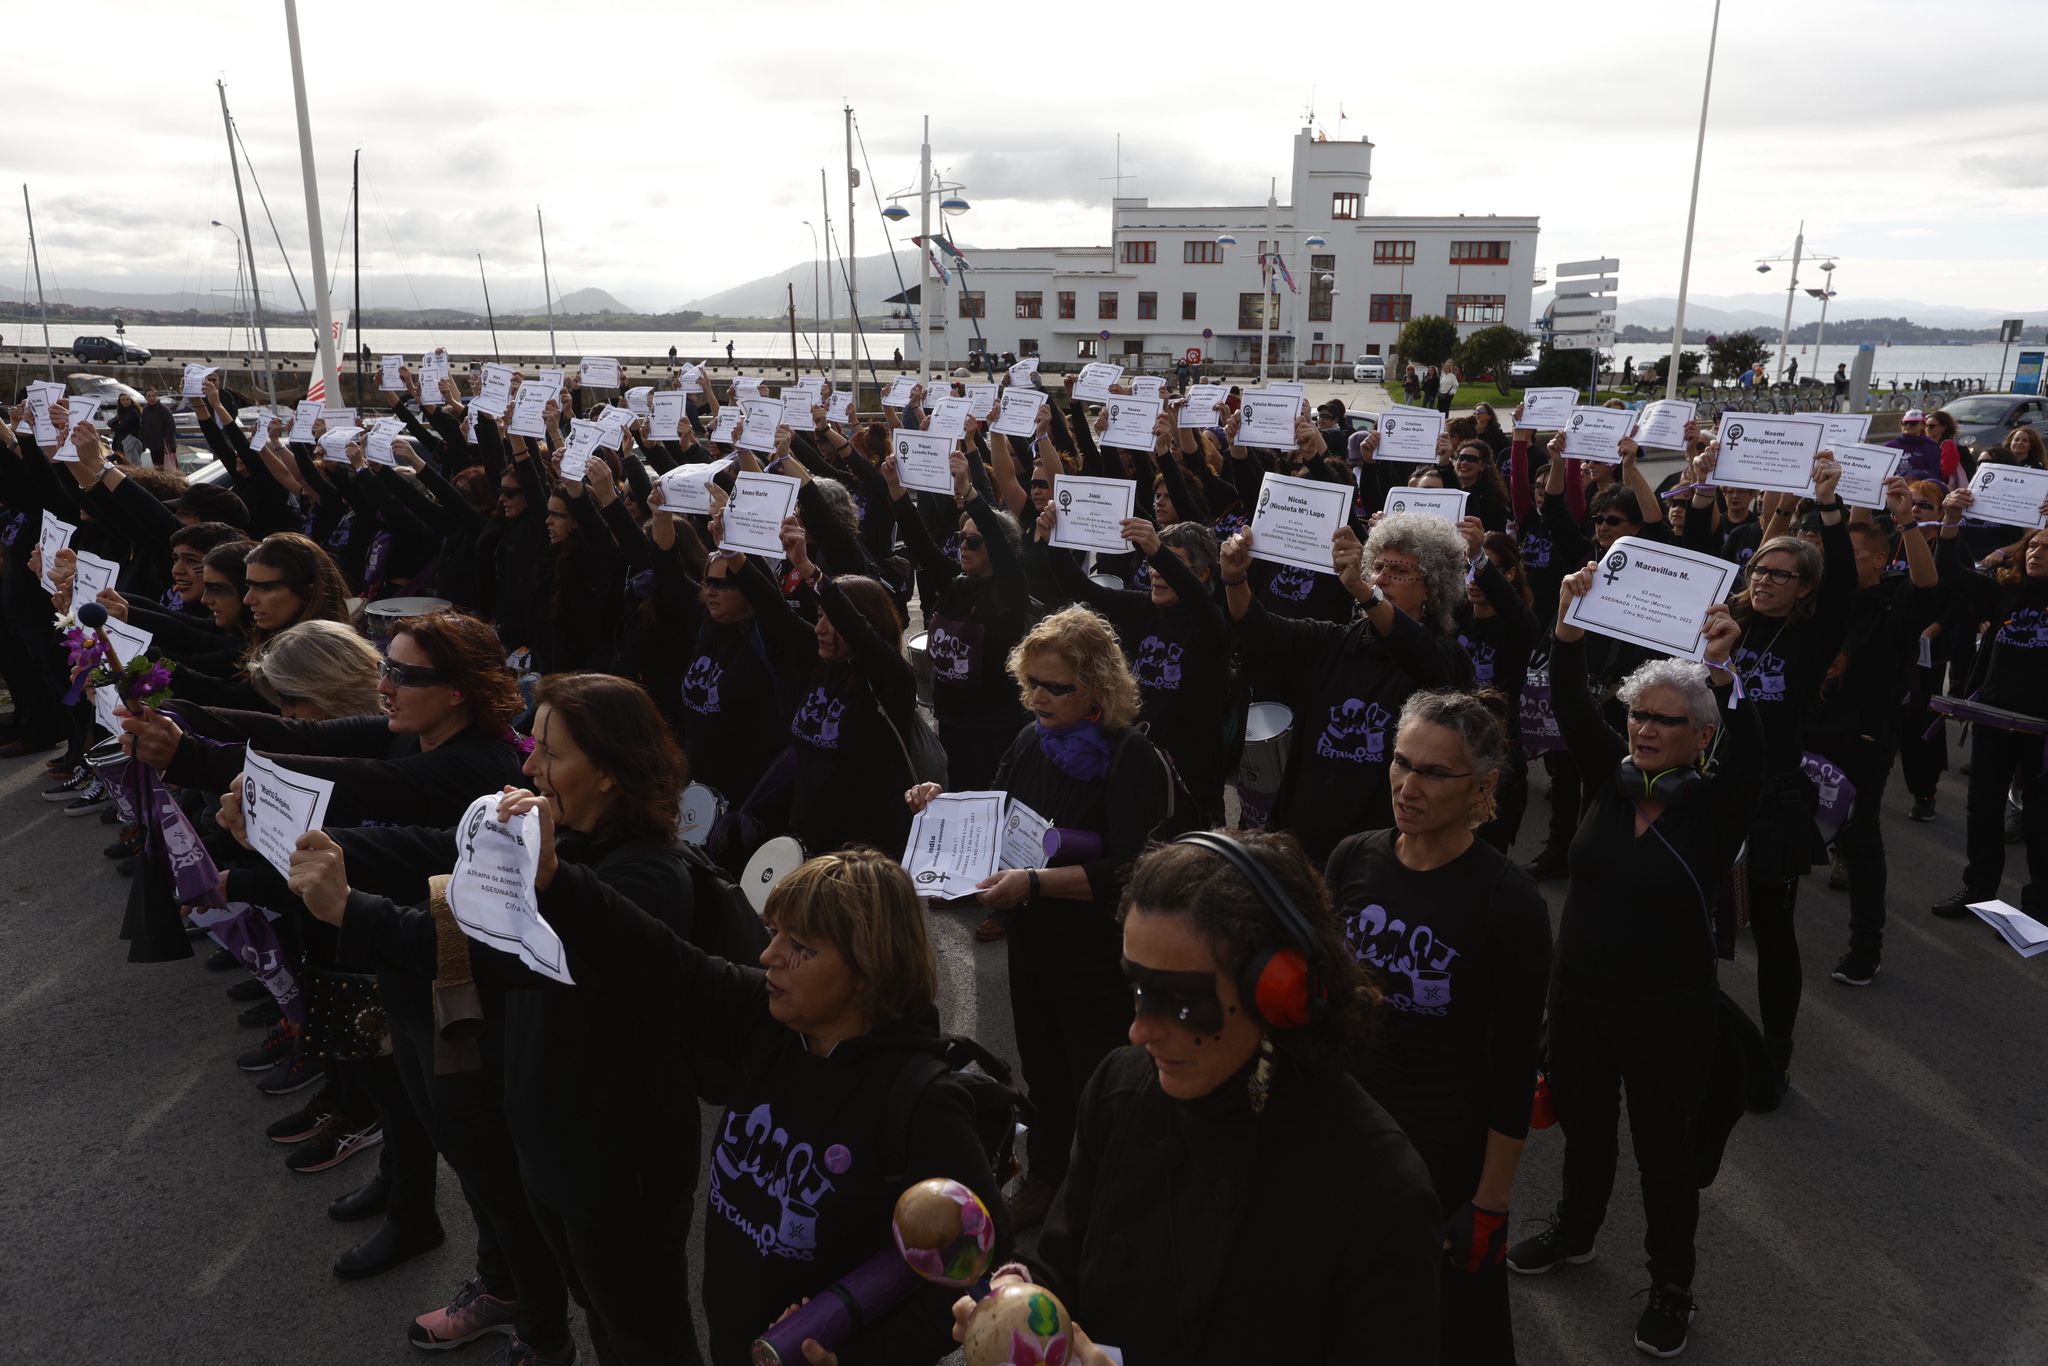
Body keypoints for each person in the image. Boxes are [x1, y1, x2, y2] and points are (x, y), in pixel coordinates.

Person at [287, 674, 699, 1364]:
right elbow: (444, 865)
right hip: (555, 1149)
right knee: (600, 1307)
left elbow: (493, 955)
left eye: (550, 755)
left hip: (618, 1166)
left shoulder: (646, 879)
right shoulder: (566, 845)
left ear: (609, 772)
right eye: (532, 747)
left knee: (643, 1333)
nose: (527, 770)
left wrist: (350, 909)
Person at [952, 831, 1444, 1364]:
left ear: (1280, 990)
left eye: (1181, 1001)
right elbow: (1061, 1260)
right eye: (1137, 987)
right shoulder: (1119, 1089)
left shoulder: (1380, 1191)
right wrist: (1021, 1298)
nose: (1140, 1030)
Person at [1506, 569, 1758, 1362]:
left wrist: (1721, 669)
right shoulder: (1609, 783)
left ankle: (1671, 1286)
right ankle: (1575, 1230)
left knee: (1664, 1157)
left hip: (1669, 1016)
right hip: (1579, 1001)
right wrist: (1567, 630)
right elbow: (1576, 704)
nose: (1645, 730)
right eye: (1639, 715)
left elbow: (1754, 756)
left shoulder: (1717, 807)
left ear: (1701, 737)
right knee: (1584, 1130)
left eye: (1666, 721)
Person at [908, 606, 1170, 1229]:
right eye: (1030, 684)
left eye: (1056, 687)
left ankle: (1108, 1203)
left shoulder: (1131, 757)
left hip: (1097, 956)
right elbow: (996, 814)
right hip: (1034, 943)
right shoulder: (1032, 739)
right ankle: (1049, 1178)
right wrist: (943, 807)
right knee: (1044, 1072)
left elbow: (1133, 869)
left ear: (1098, 687)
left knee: (1098, 1082)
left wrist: (1036, 882)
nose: (1037, 698)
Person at [1326, 692, 1551, 1365]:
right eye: (1401, 762)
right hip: (1344, 1132)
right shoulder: (1351, 859)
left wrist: (1490, 1202)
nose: (1407, 785)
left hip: (1442, 1154)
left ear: (1482, 787)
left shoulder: (1508, 901)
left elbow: (1515, 1064)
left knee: (1449, 1330)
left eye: (1431, 772)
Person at [1221, 513, 1473, 865]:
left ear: (1431, 587)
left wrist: (1364, 592)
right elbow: (1258, 628)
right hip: (1304, 840)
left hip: (1380, 852)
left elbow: (1415, 651)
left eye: (1398, 571)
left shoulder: (1444, 656)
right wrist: (1234, 578)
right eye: (1378, 567)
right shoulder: (1335, 641)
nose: (1383, 578)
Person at [1805, 480, 1940, 986]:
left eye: (1853, 555)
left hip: (1861, 741)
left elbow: (1927, 586)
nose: (1837, 562)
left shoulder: (1892, 604)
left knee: (1859, 840)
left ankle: (1866, 947)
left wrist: (1907, 522)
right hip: (1806, 731)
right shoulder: (1818, 600)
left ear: (1881, 560)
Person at [1928, 486, 2048, 922]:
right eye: (2032, 545)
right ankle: (1978, 891)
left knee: (2040, 819)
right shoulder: (2005, 593)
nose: (2036, 552)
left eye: (2046, 547)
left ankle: (2037, 909)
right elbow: (1950, 574)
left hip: (2043, 730)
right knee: (1982, 809)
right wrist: (1952, 520)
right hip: (1995, 719)